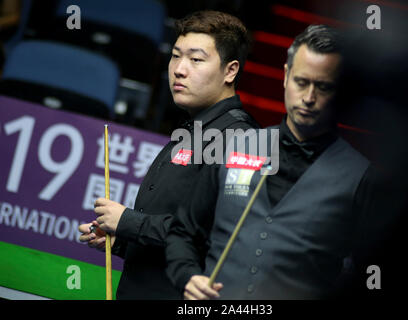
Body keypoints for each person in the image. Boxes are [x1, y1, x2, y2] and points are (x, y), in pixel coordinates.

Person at [165, 25, 388, 299]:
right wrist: (188, 276)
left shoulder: (362, 178)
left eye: (324, 87)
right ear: (285, 77)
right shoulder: (233, 145)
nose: (308, 98)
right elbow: (183, 233)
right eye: (301, 82)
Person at [78, 10, 259, 299]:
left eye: (196, 59)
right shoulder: (192, 128)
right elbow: (174, 231)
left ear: (230, 71)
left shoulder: (245, 140)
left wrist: (128, 222)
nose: (179, 69)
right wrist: (121, 240)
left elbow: (217, 234)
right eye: (176, 55)